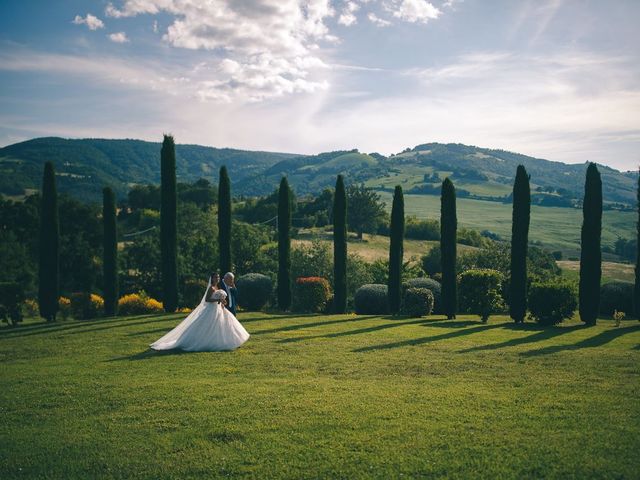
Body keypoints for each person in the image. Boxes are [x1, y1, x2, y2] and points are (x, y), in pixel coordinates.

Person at [149, 273, 249, 352]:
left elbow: (219, 298)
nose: (217, 279)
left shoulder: (217, 287)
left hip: (218, 308)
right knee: (208, 326)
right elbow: (207, 299)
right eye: (215, 278)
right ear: (212, 279)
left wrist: (222, 301)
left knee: (223, 325)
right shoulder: (211, 288)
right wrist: (217, 300)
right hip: (211, 310)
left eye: (218, 277)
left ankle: (228, 341)